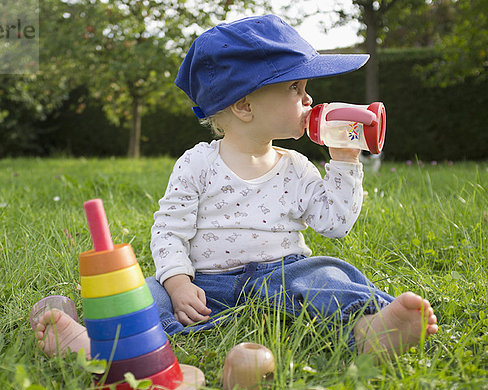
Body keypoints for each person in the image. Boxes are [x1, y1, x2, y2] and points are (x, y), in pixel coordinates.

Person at [33, 15, 437, 360]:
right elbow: (169, 229)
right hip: (205, 283)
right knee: (144, 293)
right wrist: (177, 281)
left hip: (281, 273)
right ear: (244, 106)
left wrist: (346, 162)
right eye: (294, 88)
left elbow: (335, 225)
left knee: (324, 276)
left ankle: (369, 330)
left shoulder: (296, 167)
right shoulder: (197, 164)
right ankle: (97, 345)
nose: (310, 98)